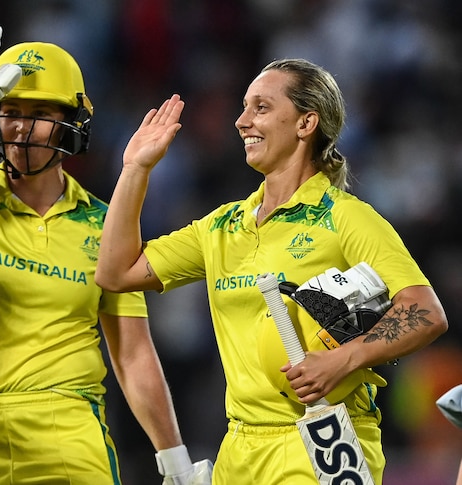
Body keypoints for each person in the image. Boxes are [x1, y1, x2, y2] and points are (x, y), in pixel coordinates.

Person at [94, 58, 449, 484]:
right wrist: (135, 169)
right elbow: (116, 273)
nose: (242, 121)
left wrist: (343, 359)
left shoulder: (347, 218)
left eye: (261, 107)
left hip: (324, 440)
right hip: (238, 450)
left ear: (306, 123)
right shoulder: (222, 226)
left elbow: (426, 311)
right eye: (244, 107)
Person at [0, 14, 211, 484]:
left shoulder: (104, 226)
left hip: (69, 436)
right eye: (11, 113)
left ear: (72, 124)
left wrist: (174, 460)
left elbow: (132, 353)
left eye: (41, 116)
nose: (22, 130)